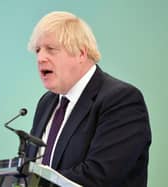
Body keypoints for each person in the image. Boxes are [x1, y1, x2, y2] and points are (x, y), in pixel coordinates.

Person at [26, 11, 151, 187]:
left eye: (51, 49)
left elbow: (99, 177)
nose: (40, 58)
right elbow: (31, 168)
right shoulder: (47, 102)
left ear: (81, 53)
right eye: (38, 50)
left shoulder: (121, 100)